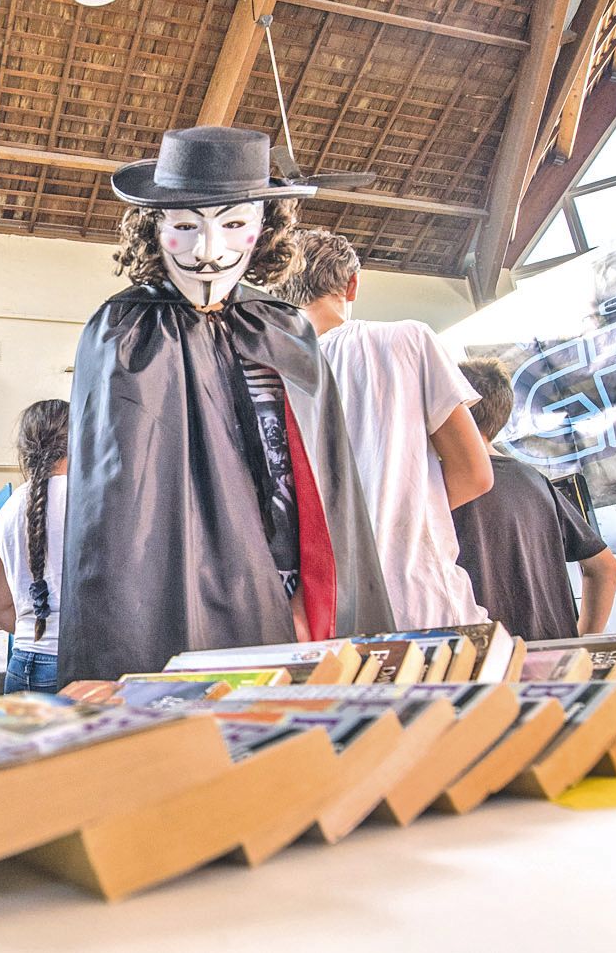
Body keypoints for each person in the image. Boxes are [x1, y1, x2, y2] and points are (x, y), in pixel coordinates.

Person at [60, 126, 393, 685]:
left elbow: (328, 489)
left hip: (298, 613)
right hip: (180, 609)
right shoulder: (124, 333)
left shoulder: (285, 328)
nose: (207, 252)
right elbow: (120, 522)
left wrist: (315, 603)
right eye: (185, 227)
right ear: (155, 228)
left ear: (263, 231)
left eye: (233, 225)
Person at [280, 227, 494, 630]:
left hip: (323, 610)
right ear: (353, 283)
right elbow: (476, 474)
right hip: (421, 597)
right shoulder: (408, 340)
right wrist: (400, 508)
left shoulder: (273, 375)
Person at [454, 359, 616, 638]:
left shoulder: (446, 485)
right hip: (557, 664)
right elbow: (606, 568)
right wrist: (582, 641)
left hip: (494, 664)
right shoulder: (536, 481)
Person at [0, 399, 69, 694]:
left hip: (20, 663)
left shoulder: (7, 509)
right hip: (71, 665)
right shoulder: (87, 498)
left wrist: (33, 631)